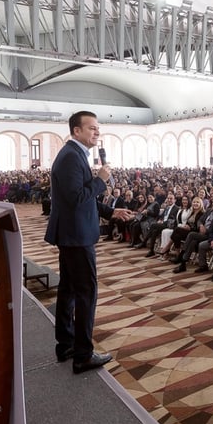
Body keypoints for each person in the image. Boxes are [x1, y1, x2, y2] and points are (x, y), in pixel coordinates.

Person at [45, 111, 132, 374]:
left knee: (70, 289)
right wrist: (100, 181)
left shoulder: (74, 154)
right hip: (76, 235)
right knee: (86, 292)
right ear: (76, 131)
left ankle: (66, 344)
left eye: (98, 129)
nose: (97, 133)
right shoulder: (72, 156)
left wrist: (110, 212)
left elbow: (81, 198)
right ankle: (83, 353)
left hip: (73, 232)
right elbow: (77, 198)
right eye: (91, 128)